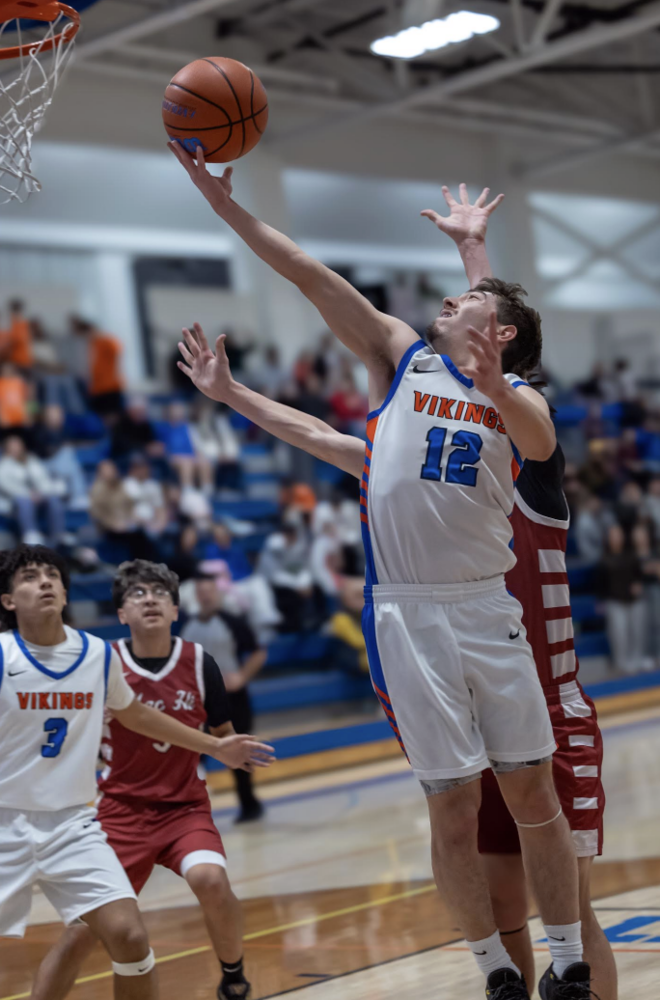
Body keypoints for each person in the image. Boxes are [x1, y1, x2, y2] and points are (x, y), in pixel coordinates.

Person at [171, 144, 602, 999]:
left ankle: (572, 964)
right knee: (449, 805)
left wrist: (499, 374)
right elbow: (310, 277)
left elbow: (539, 439)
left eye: (464, 297)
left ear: (500, 335)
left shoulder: (522, 400)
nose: (443, 300)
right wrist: (223, 211)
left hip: (487, 611)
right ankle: (496, 974)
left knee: (532, 797)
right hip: (407, 615)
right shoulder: (401, 356)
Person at [0, 545, 274, 998]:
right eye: (30, 577)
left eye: (52, 575)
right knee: (81, 936)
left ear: (67, 591)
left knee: (133, 933)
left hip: (83, 821)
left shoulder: (95, 655)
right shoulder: (14, 654)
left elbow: (138, 714)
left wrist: (216, 747)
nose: (45, 582)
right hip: (45, 815)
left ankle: (233, 973)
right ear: (7, 600)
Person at [181, 574, 267, 823]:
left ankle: (249, 803)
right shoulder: (188, 626)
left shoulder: (233, 622)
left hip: (232, 700)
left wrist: (242, 676)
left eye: (209, 590)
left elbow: (258, 653)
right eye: (201, 591)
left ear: (217, 593)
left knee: (238, 752)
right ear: (196, 595)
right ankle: (192, 812)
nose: (206, 595)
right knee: (194, 756)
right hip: (197, 703)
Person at [0, 435, 66, 546]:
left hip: (38, 497)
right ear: (7, 448)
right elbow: (7, 486)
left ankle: (58, 534)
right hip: (14, 501)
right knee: (23, 500)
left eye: (18, 445)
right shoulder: (3, 464)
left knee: (53, 499)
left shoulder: (31, 460)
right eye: (12, 446)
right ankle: (31, 533)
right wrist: (29, 494)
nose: (16, 448)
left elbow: (42, 479)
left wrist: (41, 492)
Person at [71, 316, 124, 419]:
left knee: (112, 413)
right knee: (102, 414)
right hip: (96, 387)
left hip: (110, 385)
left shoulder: (106, 341)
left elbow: (117, 350)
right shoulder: (90, 345)